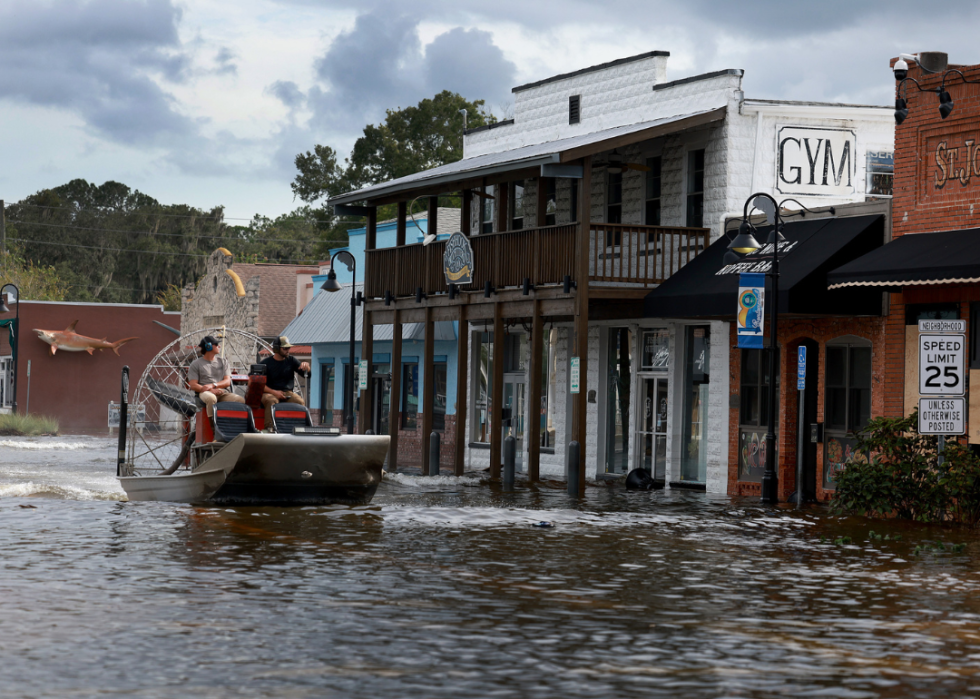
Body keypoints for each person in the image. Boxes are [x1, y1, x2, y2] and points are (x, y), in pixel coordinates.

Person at [260, 336, 311, 430]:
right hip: (269, 393)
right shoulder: (265, 363)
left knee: (299, 402)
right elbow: (257, 384)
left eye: (289, 348)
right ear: (276, 348)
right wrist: (274, 392)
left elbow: (306, 374)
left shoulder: (291, 361)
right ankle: (269, 428)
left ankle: (300, 428)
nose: (288, 350)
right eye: (285, 348)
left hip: (287, 393)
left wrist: (307, 367)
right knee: (272, 401)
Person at [187, 335, 245, 416]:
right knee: (211, 398)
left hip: (222, 392)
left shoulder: (223, 362)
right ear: (208, 346)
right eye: (216, 344)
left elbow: (227, 382)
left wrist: (213, 385)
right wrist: (209, 390)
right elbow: (193, 385)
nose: (219, 346)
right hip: (204, 393)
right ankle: (213, 426)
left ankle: (234, 424)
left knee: (240, 400)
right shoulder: (196, 364)